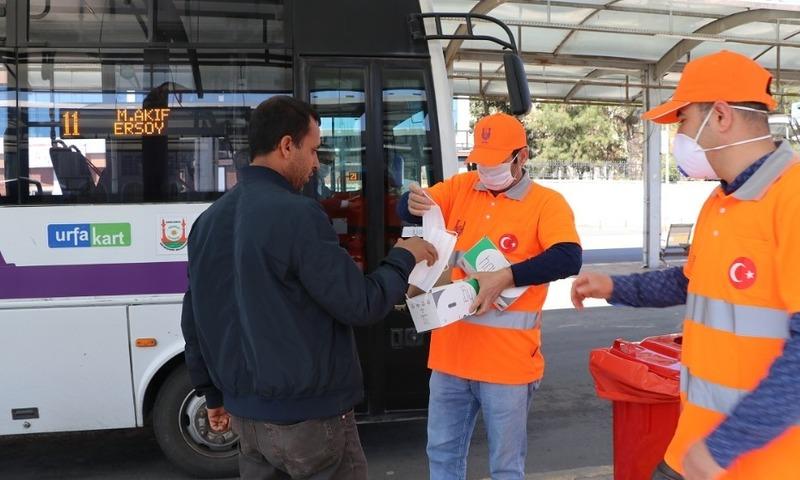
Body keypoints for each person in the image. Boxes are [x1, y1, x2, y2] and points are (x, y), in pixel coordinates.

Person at [571, 50, 800, 480]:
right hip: (703, 448)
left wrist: (723, 448)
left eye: (684, 121)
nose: (680, 138)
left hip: (784, 461)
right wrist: (613, 287)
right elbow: (692, 282)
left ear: (721, 116)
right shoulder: (722, 201)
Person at [181, 95, 438, 480]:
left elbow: (195, 318)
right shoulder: (299, 215)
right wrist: (404, 256)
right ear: (287, 146)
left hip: (245, 420)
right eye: (314, 150)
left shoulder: (207, 222)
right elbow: (361, 304)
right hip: (309, 422)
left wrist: (212, 394)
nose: (317, 163)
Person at [397, 112, 583, 480]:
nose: (486, 169)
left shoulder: (547, 203)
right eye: (480, 161)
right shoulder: (461, 187)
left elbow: (569, 256)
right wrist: (409, 202)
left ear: (522, 156)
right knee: (442, 457)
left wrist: (506, 276)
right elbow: (411, 206)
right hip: (450, 358)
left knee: (505, 468)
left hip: (507, 366)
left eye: (495, 162)